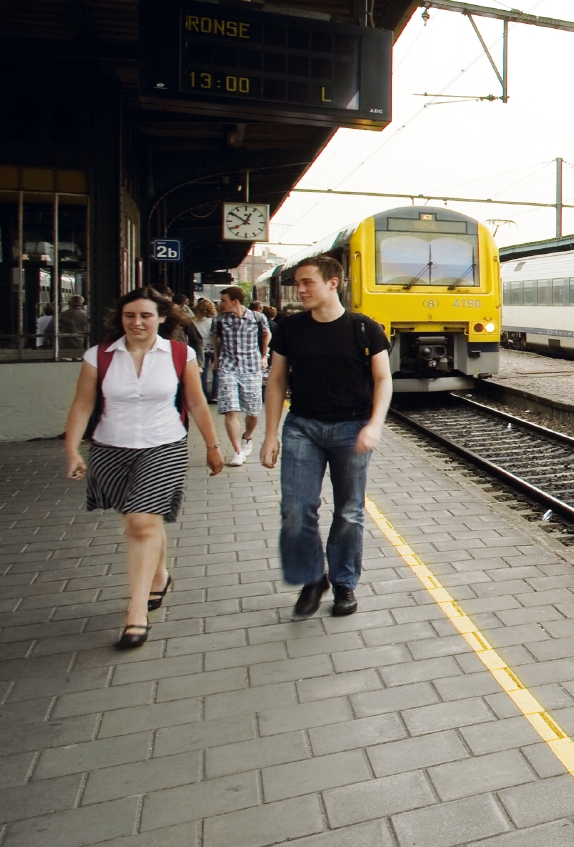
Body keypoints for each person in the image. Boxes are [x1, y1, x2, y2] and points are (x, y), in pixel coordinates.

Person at [63, 287, 225, 649]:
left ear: (162, 318)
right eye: (130, 316)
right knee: (144, 520)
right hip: (111, 448)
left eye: (145, 316)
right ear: (120, 319)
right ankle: (160, 576)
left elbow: (198, 404)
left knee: (140, 522)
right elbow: (82, 406)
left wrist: (213, 447)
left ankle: (136, 613)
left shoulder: (180, 354)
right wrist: (73, 450)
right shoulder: (99, 356)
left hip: (164, 444)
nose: (137, 322)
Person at [261, 255, 391, 619]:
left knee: (349, 512)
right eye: (297, 284)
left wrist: (374, 424)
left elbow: (383, 380)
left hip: (352, 429)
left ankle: (344, 582)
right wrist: (271, 434)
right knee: (295, 510)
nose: (299, 290)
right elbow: (276, 380)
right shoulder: (289, 329)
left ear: (332, 282)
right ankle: (311, 578)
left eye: (307, 282)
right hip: (303, 426)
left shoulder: (364, 329)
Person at [210, 286, 271, 465]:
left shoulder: (257, 318)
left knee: (252, 411)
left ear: (235, 301)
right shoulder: (220, 319)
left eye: (223, 301)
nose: (220, 304)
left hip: (251, 367)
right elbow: (215, 338)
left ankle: (248, 436)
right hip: (228, 366)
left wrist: (264, 355)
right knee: (231, 410)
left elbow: (267, 334)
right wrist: (216, 357)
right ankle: (237, 451)